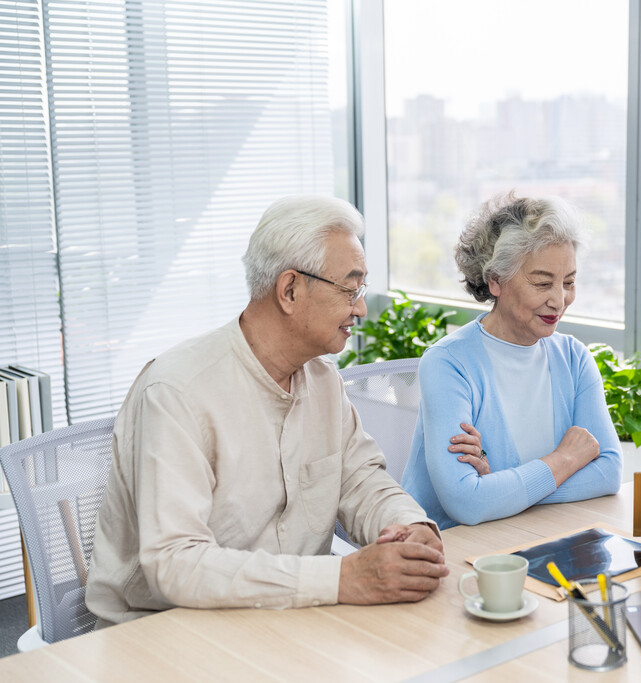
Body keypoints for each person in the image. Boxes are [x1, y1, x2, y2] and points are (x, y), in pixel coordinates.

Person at [86, 195, 449, 626]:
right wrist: (340, 579)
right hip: (161, 630)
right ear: (290, 289)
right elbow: (174, 564)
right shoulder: (177, 391)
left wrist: (410, 526)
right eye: (350, 288)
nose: (361, 308)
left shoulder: (323, 380)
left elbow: (361, 479)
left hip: (283, 617)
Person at [402, 193, 622, 530]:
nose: (559, 300)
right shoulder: (448, 364)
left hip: (531, 537)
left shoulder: (574, 358)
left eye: (569, 282)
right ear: (496, 280)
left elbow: (608, 473)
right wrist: (565, 460)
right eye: (542, 282)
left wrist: (502, 486)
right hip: (446, 549)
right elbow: (466, 503)